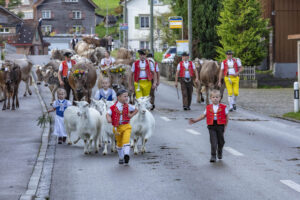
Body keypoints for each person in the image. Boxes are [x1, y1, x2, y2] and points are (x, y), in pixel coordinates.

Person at [189, 90, 229, 162]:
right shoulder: (208, 107)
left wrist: (225, 125)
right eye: (213, 97)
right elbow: (203, 116)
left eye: (217, 97)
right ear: (210, 98)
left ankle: (219, 151)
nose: (215, 98)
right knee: (213, 141)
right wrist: (195, 120)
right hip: (211, 126)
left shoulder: (224, 107)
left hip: (220, 126)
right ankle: (213, 155)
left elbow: (227, 116)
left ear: (220, 98)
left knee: (221, 141)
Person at [106, 89, 138, 165]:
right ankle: (121, 157)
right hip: (117, 127)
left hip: (126, 126)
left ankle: (126, 155)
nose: (127, 98)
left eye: (127, 96)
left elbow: (136, 110)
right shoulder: (113, 107)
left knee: (126, 140)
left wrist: (131, 115)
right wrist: (109, 119)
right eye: (125, 96)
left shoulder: (128, 106)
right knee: (119, 142)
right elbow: (108, 114)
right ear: (118, 97)